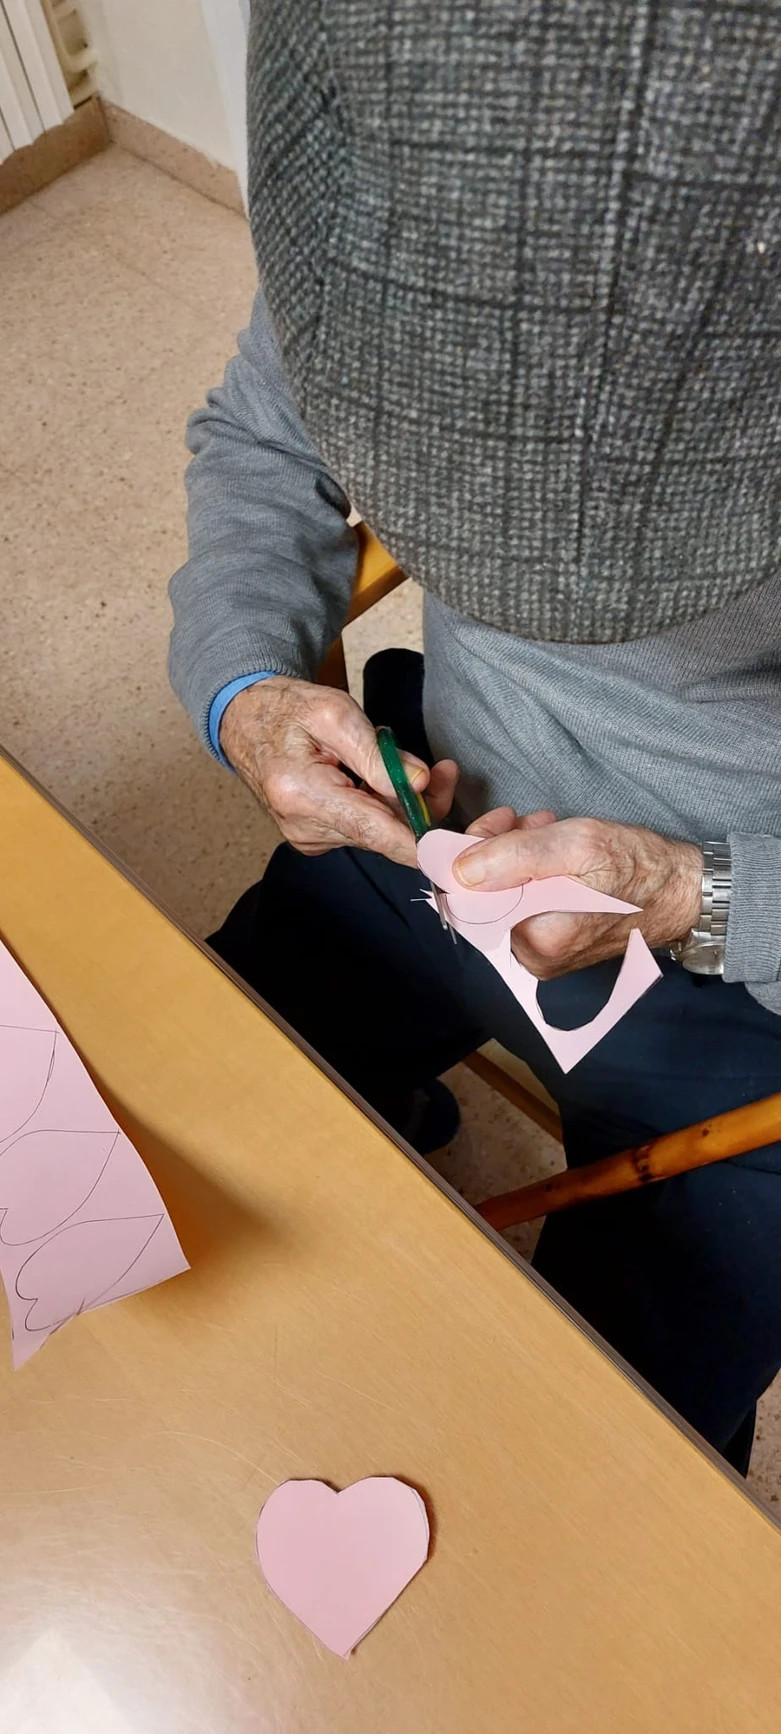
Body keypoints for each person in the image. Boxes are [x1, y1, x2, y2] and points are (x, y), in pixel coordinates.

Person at [169, 2, 781, 1474]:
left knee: (609, 1458)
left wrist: (693, 891)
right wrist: (246, 688)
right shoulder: (399, 167)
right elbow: (261, 442)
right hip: (427, 801)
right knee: (162, 1148)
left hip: (746, 972)